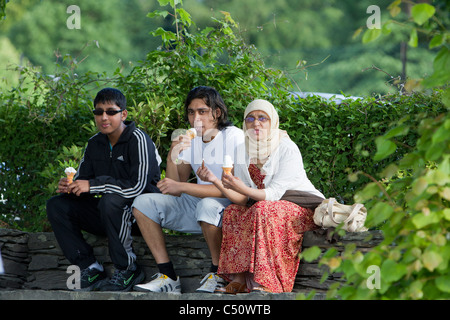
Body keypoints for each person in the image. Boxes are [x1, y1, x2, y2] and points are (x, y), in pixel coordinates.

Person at [197, 99, 325, 294]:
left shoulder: (286, 148)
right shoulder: (242, 150)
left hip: (301, 209)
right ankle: (238, 280)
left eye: (262, 118)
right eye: (250, 118)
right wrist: (215, 180)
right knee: (233, 211)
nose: (255, 123)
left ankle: (268, 284)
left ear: (272, 122)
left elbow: (272, 194)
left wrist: (242, 188)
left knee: (263, 208)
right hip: (265, 209)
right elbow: (242, 200)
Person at [46, 88, 162, 291]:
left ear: (123, 114)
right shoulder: (94, 143)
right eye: (98, 112)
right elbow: (84, 181)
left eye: (111, 112)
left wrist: (92, 185)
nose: (103, 117)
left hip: (140, 218)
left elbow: (138, 186)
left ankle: (128, 269)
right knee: (57, 205)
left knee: (110, 200)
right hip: (109, 215)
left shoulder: (138, 139)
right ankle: (89, 267)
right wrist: (71, 186)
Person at [132, 86, 245, 294]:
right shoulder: (190, 140)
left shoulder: (233, 137)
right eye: (191, 112)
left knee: (207, 205)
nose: (196, 118)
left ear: (216, 113)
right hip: (198, 205)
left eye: (202, 111)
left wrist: (182, 187)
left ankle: (219, 274)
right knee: (143, 203)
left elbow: (229, 190)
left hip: (228, 207)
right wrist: (173, 153)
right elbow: (173, 186)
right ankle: (168, 276)